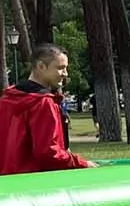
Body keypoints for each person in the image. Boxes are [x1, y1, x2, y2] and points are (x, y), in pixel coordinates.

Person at [0, 44, 96, 175]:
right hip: (34, 184)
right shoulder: (43, 103)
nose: (65, 74)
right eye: (60, 68)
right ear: (41, 66)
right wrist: (81, 164)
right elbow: (48, 152)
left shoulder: (6, 100)